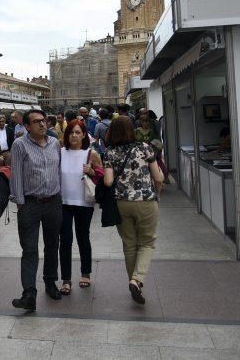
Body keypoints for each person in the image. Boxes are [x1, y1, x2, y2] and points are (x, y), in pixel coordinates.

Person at [103, 116, 164, 305]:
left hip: (121, 203)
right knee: (147, 242)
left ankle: (134, 282)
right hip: (145, 201)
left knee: (129, 245)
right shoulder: (145, 148)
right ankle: (136, 280)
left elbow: (108, 182)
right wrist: (158, 189)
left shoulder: (109, 152)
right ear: (132, 129)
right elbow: (158, 177)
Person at [9, 109, 63, 312]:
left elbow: (58, 171)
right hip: (30, 203)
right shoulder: (19, 145)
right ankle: (29, 293)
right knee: (30, 249)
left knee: (52, 245)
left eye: (43, 121)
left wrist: (60, 198)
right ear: (27, 126)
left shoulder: (54, 143)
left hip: (53, 202)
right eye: (36, 122)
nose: (42, 124)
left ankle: (50, 282)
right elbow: (16, 176)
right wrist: (20, 203)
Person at [59, 120, 103, 295]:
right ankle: (66, 279)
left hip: (84, 203)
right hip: (63, 203)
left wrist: (92, 172)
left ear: (84, 135)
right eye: (71, 132)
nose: (74, 135)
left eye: (78, 132)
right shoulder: (60, 152)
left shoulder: (90, 154)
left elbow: (103, 175)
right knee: (65, 240)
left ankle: (85, 273)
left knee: (83, 237)